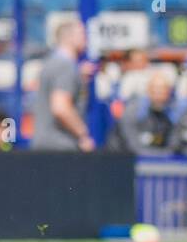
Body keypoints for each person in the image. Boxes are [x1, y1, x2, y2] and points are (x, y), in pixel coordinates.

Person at [30, 19, 95, 151]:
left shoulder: (50, 63)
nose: (87, 40)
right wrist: (83, 134)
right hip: (60, 146)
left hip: (45, 144)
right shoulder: (65, 66)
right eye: (83, 35)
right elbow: (60, 108)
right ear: (70, 37)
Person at [108, 73, 177, 155]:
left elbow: (173, 146)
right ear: (148, 90)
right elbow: (134, 147)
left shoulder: (169, 116)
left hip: (155, 162)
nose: (159, 95)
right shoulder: (132, 112)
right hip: (120, 160)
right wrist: (162, 156)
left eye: (164, 91)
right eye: (156, 90)